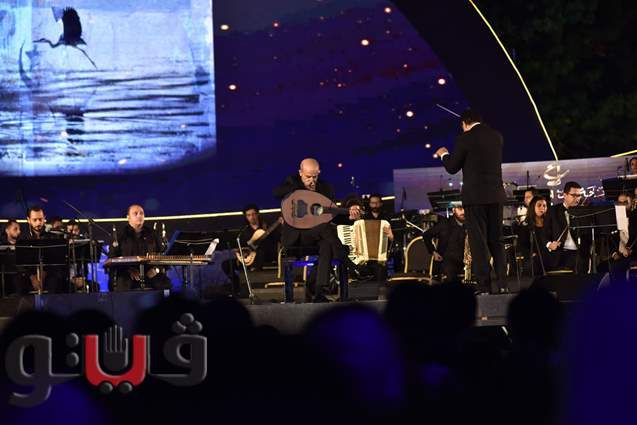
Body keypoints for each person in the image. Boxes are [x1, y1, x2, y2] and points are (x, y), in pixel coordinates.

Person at [435, 109, 507, 294]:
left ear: (464, 123)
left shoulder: (464, 139)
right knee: (496, 240)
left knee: (478, 242)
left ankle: (484, 286)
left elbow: (452, 167)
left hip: (475, 199)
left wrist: (444, 154)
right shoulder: (496, 136)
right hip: (496, 196)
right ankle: (503, 284)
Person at [273, 158, 361, 302]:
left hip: (319, 235)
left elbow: (332, 215)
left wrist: (349, 217)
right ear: (300, 173)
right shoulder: (292, 181)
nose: (312, 181)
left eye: (315, 177)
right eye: (308, 177)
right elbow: (276, 193)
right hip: (298, 236)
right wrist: (300, 187)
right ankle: (349, 264)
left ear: (319, 173)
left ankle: (319, 293)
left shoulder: (325, 188)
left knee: (326, 244)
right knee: (325, 230)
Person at [108, 204, 171, 291]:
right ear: (128, 217)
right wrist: (128, 270)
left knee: (165, 284)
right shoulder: (120, 235)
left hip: (150, 272)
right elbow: (112, 258)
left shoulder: (153, 234)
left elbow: (163, 255)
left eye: (141, 213)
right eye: (135, 213)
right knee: (123, 283)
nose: (139, 216)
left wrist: (156, 269)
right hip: (127, 273)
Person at [544, 182, 590, 273]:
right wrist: (549, 244)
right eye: (574, 195)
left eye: (579, 195)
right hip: (559, 253)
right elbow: (544, 233)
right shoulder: (553, 211)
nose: (577, 198)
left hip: (578, 254)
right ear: (565, 195)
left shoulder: (583, 211)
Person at [422, 206, 467, 282]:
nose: (463, 212)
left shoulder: (470, 223)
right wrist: (433, 252)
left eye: (464, 208)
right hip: (448, 261)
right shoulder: (445, 223)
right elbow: (426, 235)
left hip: (465, 260)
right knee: (450, 274)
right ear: (453, 210)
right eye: (460, 209)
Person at [518, 195, 551, 275]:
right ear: (533, 207)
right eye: (539, 205)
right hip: (533, 258)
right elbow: (522, 245)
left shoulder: (550, 223)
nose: (542, 208)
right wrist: (531, 254)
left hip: (549, 256)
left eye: (544, 206)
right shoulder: (526, 225)